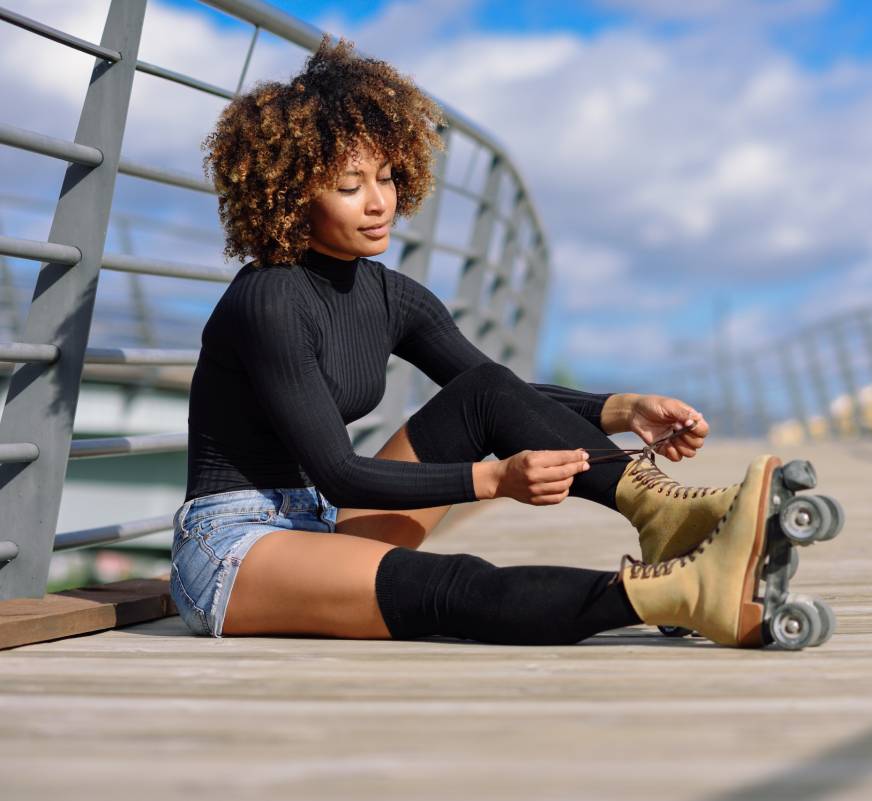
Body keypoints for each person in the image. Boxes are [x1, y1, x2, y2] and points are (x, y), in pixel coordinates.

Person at [170, 36, 784, 648]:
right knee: (445, 584)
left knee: (483, 390)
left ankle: (665, 515)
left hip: (323, 523)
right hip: (235, 549)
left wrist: (620, 410)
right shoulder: (269, 300)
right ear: (290, 193)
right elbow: (340, 472)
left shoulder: (390, 295)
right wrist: (492, 481)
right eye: (350, 186)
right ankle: (691, 592)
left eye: (385, 177)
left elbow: (502, 396)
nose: (380, 202)